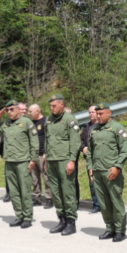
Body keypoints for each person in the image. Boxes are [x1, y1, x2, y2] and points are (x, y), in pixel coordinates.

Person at [0, 100, 39, 229]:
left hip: (23, 161)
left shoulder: (27, 122)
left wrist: (33, 159)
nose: (9, 112)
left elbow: (34, 141)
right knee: (14, 191)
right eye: (7, 110)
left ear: (18, 109)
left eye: (11, 109)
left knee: (25, 190)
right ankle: (19, 215)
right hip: (9, 161)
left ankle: (27, 217)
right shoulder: (6, 124)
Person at [87, 103, 127, 242]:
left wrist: (117, 167)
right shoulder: (94, 130)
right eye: (96, 114)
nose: (98, 116)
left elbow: (124, 150)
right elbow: (90, 152)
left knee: (116, 201)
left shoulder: (117, 128)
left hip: (111, 172)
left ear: (109, 113)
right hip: (98, 171)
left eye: (101, 114)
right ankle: (110, 228)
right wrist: (90, 168)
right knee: (104, 203)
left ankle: (120, 230)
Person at [44, 94, 81, 236]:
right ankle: (62, 220)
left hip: (65, 160)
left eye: (54, 105)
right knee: (56, 192)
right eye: (50, 106)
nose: (51, 108)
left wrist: (72, 160)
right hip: (52, 160)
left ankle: (71, 222)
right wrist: (46, 158)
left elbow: (75, 141)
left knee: (67, 191)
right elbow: (48, 140)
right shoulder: (49, 120)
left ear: (61, 105)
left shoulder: (70, 120)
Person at [28, 104, 52, 208]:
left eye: (30, 111)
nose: (29, 114)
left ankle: (49, 198)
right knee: (34, 178)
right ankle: (36, 198)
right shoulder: (31, 123)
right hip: (33, 154)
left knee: (46, 177)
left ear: (37, 111)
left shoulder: (45, 121)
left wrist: (46, 153)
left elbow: (49, 138)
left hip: (43, 154)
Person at [81, 106, 102, 214]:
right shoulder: (86, 126)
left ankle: (105, 204)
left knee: (103, 183)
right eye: (89, 112)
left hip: (102, 159)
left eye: (93, 112)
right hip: (90, 160)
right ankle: (96, 205)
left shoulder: (101, 125)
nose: (91, 114)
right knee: (92, 183)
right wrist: (83, 148)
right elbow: (80, 140)